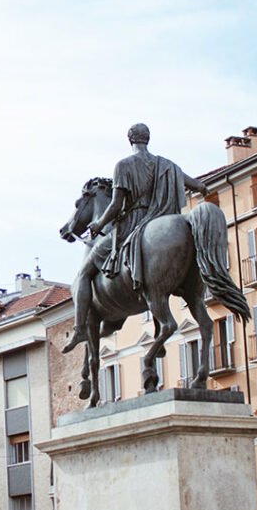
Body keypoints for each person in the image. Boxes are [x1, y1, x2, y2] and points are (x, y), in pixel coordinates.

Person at [63, 123, 208, 356]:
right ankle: (158, 328)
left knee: (84, 273)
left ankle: (80, 328)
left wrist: (99, 224)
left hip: (132, 225)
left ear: (130, 139)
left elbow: (115, 205)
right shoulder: (167, 165)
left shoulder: (124, 165)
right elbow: (196, 185)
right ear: (147, 139)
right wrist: (202, 188)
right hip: (161, 217)